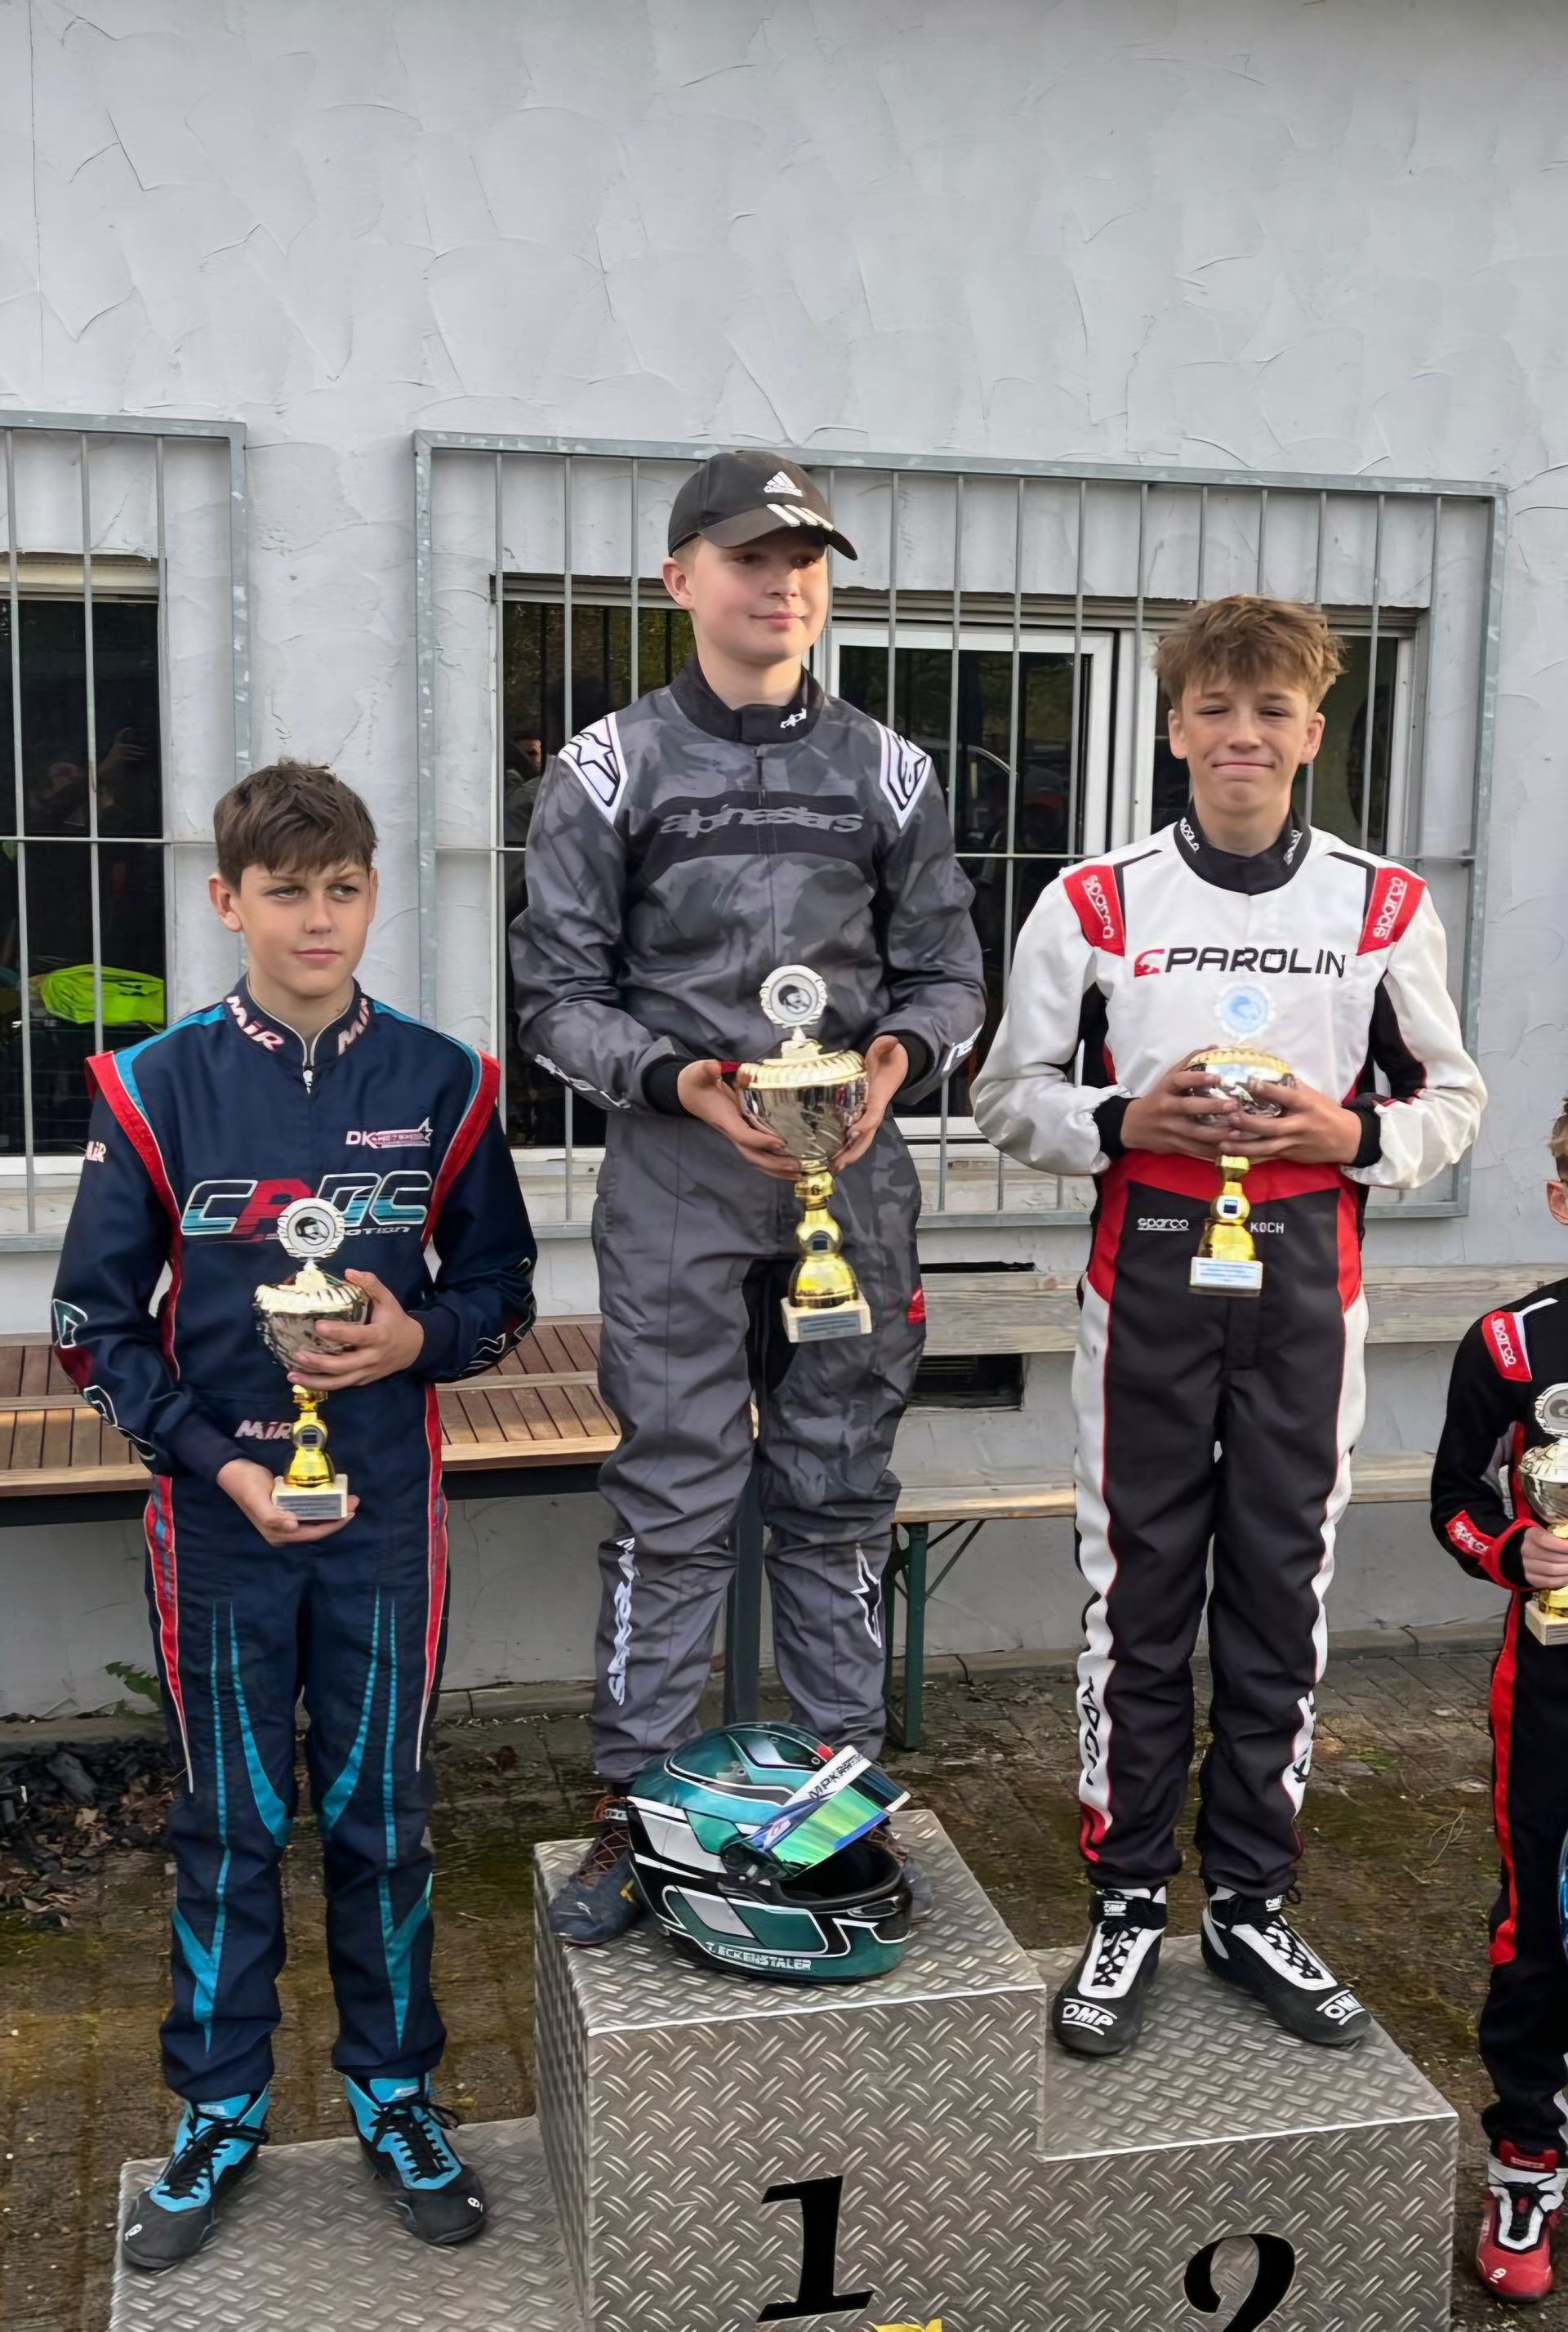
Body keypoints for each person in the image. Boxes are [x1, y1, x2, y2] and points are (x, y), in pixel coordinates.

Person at [973, 595, 1484, 2058]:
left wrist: (1353, 1133)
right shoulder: (1094, 902)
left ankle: (1253, 1899)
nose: (1241, 735)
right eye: (1216, 708)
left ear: (1312, 734)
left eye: (1271, 712)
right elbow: (1007, 1096)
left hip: (1309, 1281)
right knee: (1138, 1594)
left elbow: (1452, 1101)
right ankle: (1128, 1897)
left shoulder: (1383, 905)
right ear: (1175, 726)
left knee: (1279, 1593)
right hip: (1145, 1273)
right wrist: (1125, 1118)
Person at [51, 761, 536, 2270]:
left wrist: (414, 1342)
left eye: (341, 889)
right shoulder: (152, 1085)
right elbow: (90, 1326)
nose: (316, 919)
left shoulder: (448, 1081)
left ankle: (396, 2092)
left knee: (384, 1816)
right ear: (227, 901)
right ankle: (219, 2108)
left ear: (375, 895)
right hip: (221, 1521)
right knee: (231, 1821)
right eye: (284, 892)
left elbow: (503, 1291)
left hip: (385, 1515)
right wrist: (221, 1463)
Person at [510, 448, 985, 1944]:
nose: (783, 584)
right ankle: (638, 1811)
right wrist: (680, 1082)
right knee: (676, 1496)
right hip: (680, 1180)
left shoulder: (892, 770)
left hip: (856, 1182)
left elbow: (950, 973)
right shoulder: (605, 769)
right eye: (750, 557)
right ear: (681, 579)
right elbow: (553, 998)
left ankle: (841, 1806)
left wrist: (899, 1061)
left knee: (838, 1496)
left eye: (805, 560)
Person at [1431, 1104, 1568, 2304]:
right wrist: (1511, 1550)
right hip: (1556, 1676)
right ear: (1562, 1200)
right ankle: (1526, 2158)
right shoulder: (1514, 1345)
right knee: (1540, 1925)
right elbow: (1454, 1502)